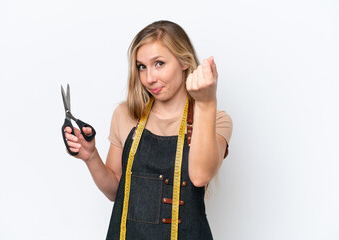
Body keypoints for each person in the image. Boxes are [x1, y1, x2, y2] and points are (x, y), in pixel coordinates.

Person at [63, 20, 233, 240]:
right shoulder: (125, 114)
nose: (149, 78)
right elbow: (116, 191)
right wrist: (91, 157)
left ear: (184, 61)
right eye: (142, 66)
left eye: (159, 63)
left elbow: (200, 176)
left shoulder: (216, 119)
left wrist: (207, 103)